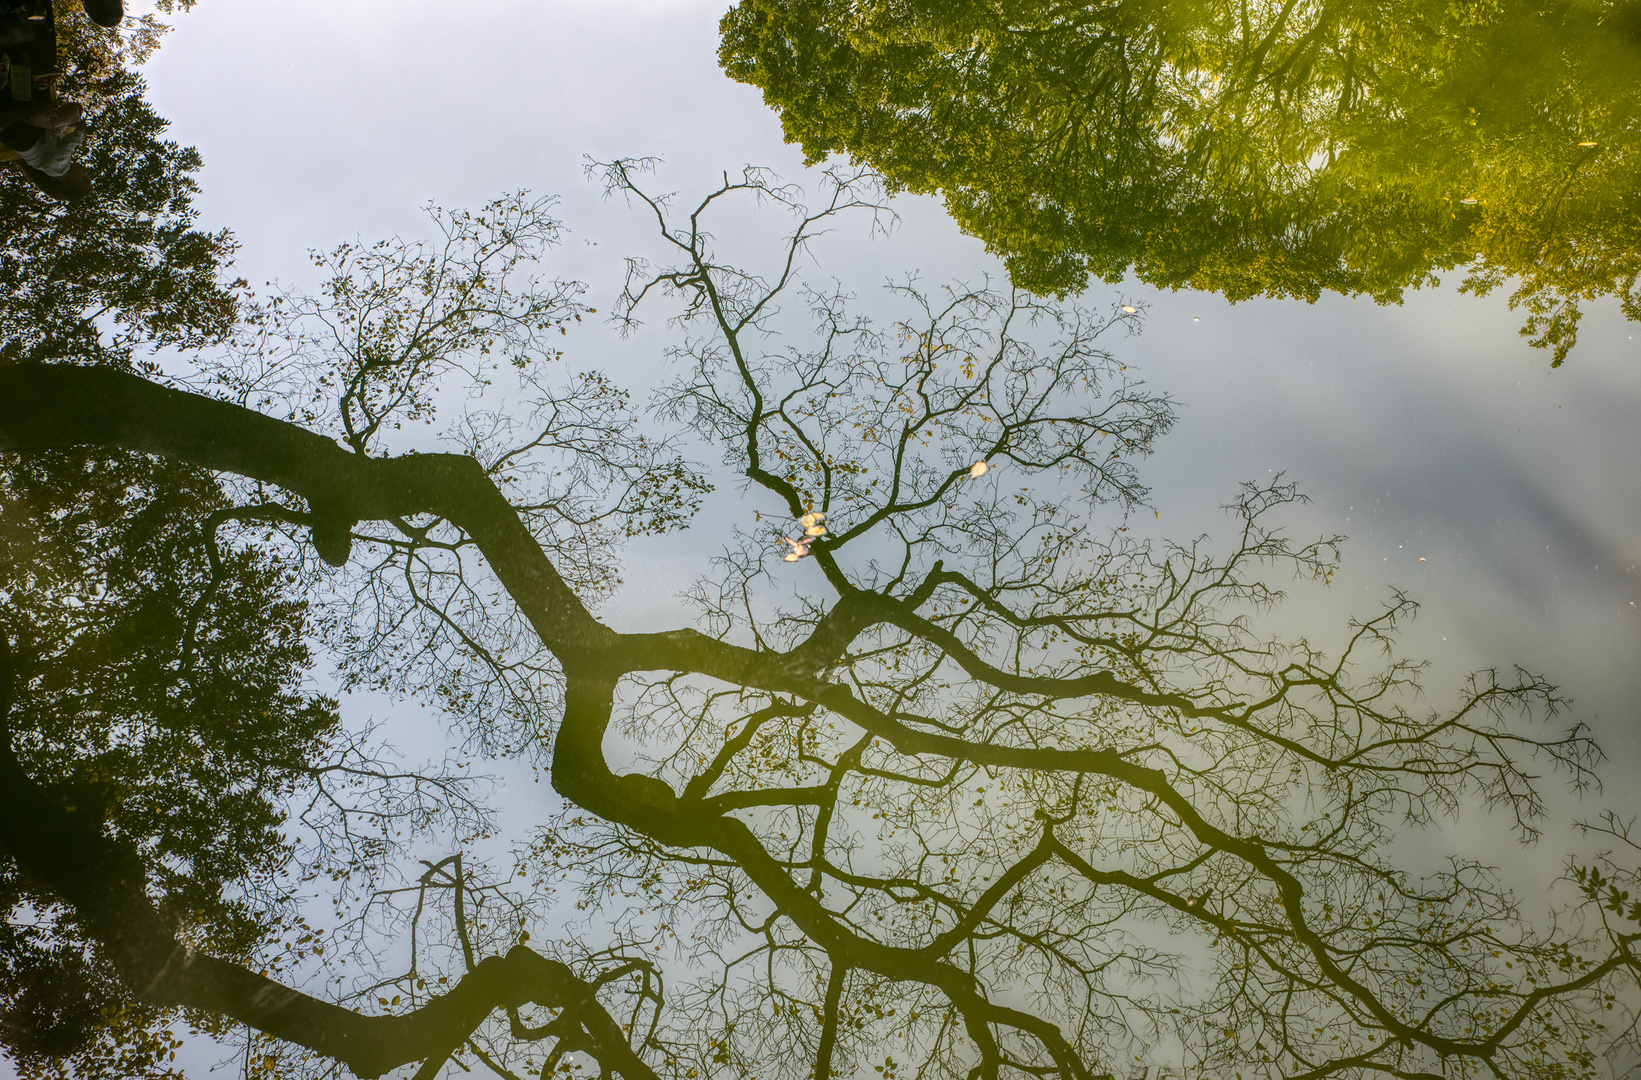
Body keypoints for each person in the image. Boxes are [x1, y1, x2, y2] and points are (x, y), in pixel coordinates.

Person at [0, 97, 92, 201]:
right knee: (72, 113)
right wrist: (62, 123)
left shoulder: (58, 170)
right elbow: (54, 134)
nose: (85, 171)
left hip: (26, 140)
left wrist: (79, 133)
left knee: (69, 115)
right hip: (25, 137)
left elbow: (64, 149)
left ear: (67, 183)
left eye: (84, 178)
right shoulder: (58, 168)